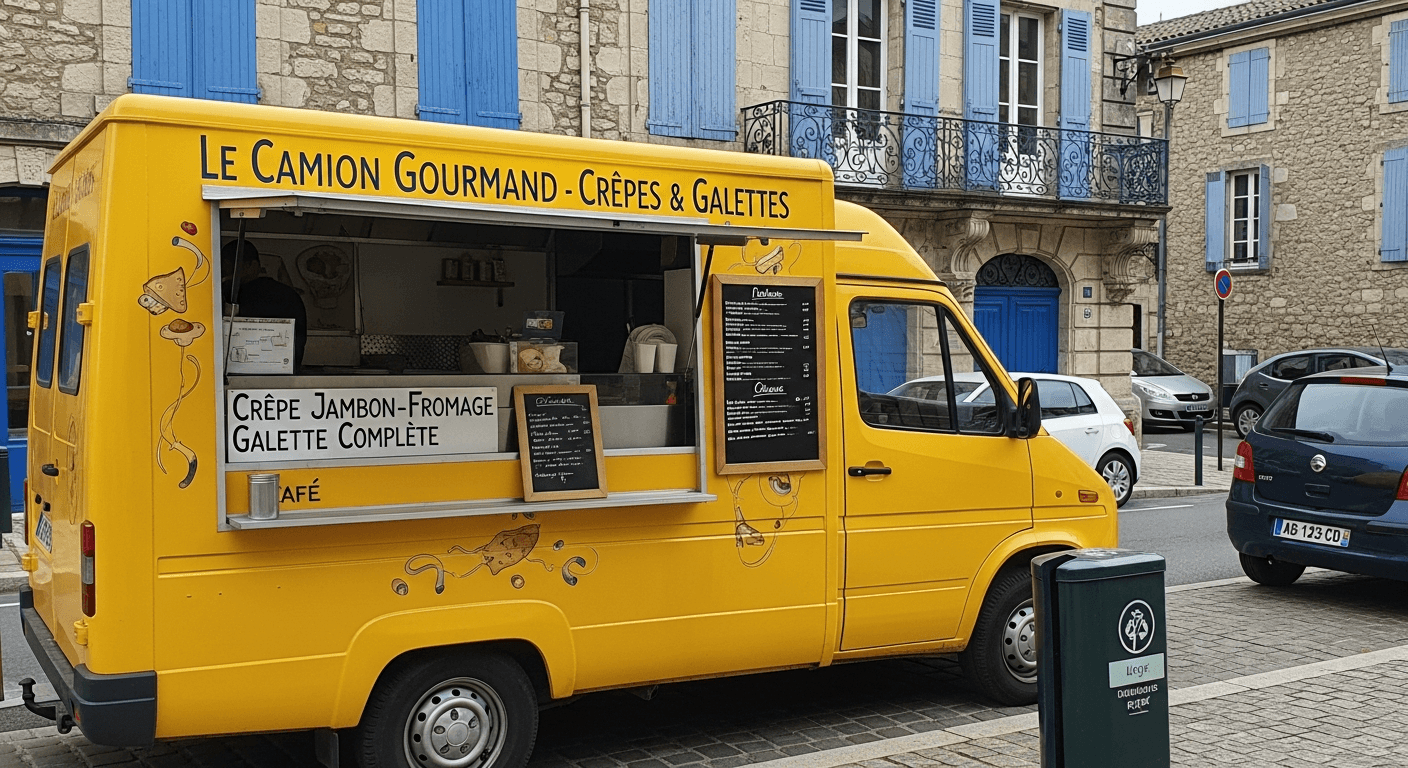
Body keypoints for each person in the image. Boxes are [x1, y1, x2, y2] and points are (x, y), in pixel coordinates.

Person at [221, 239, 308, 371]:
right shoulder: (288, 293)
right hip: (286, 371)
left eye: (230, 269)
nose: (227, 275)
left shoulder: (239, 294)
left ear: (253, 266)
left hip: (246, 371)